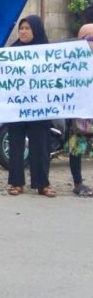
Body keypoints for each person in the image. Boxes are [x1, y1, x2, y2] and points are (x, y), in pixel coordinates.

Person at [6, 15, 55, 197]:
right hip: (17, 108)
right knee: (16, 145)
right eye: (21, 28)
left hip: (40, 108)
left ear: (37, 30)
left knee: (41, 146)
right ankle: (16, 183)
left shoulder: (47, 53)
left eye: (27, 28)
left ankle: (42, 184)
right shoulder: (12, 51)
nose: (23, 32)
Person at [63, 23, 93, 197]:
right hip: (78, 112)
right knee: (76, 146)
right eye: (86, 39)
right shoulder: (71, 59)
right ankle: (78, 182)